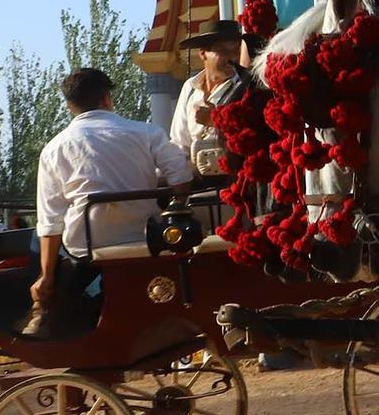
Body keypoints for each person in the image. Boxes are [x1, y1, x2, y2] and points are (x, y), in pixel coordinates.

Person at [29, 67, 192, 337]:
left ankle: (41, 313)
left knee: (38, 241)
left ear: (70, 106)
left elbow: (50, 221)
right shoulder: (147, 133)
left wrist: (45, 276)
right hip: (145, 239)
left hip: (87, 246)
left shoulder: (54, 149)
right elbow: (181, 178)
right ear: (107, 99)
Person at [169, 19, 243, 177]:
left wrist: (216, 120)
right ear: (203, 53)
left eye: (236, 50)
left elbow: (255, 135)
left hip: (233, 184)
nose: (232, 58)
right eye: (222, 50)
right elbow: (179, 144)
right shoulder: (190, 88)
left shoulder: (246, 86)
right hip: (197, 187)